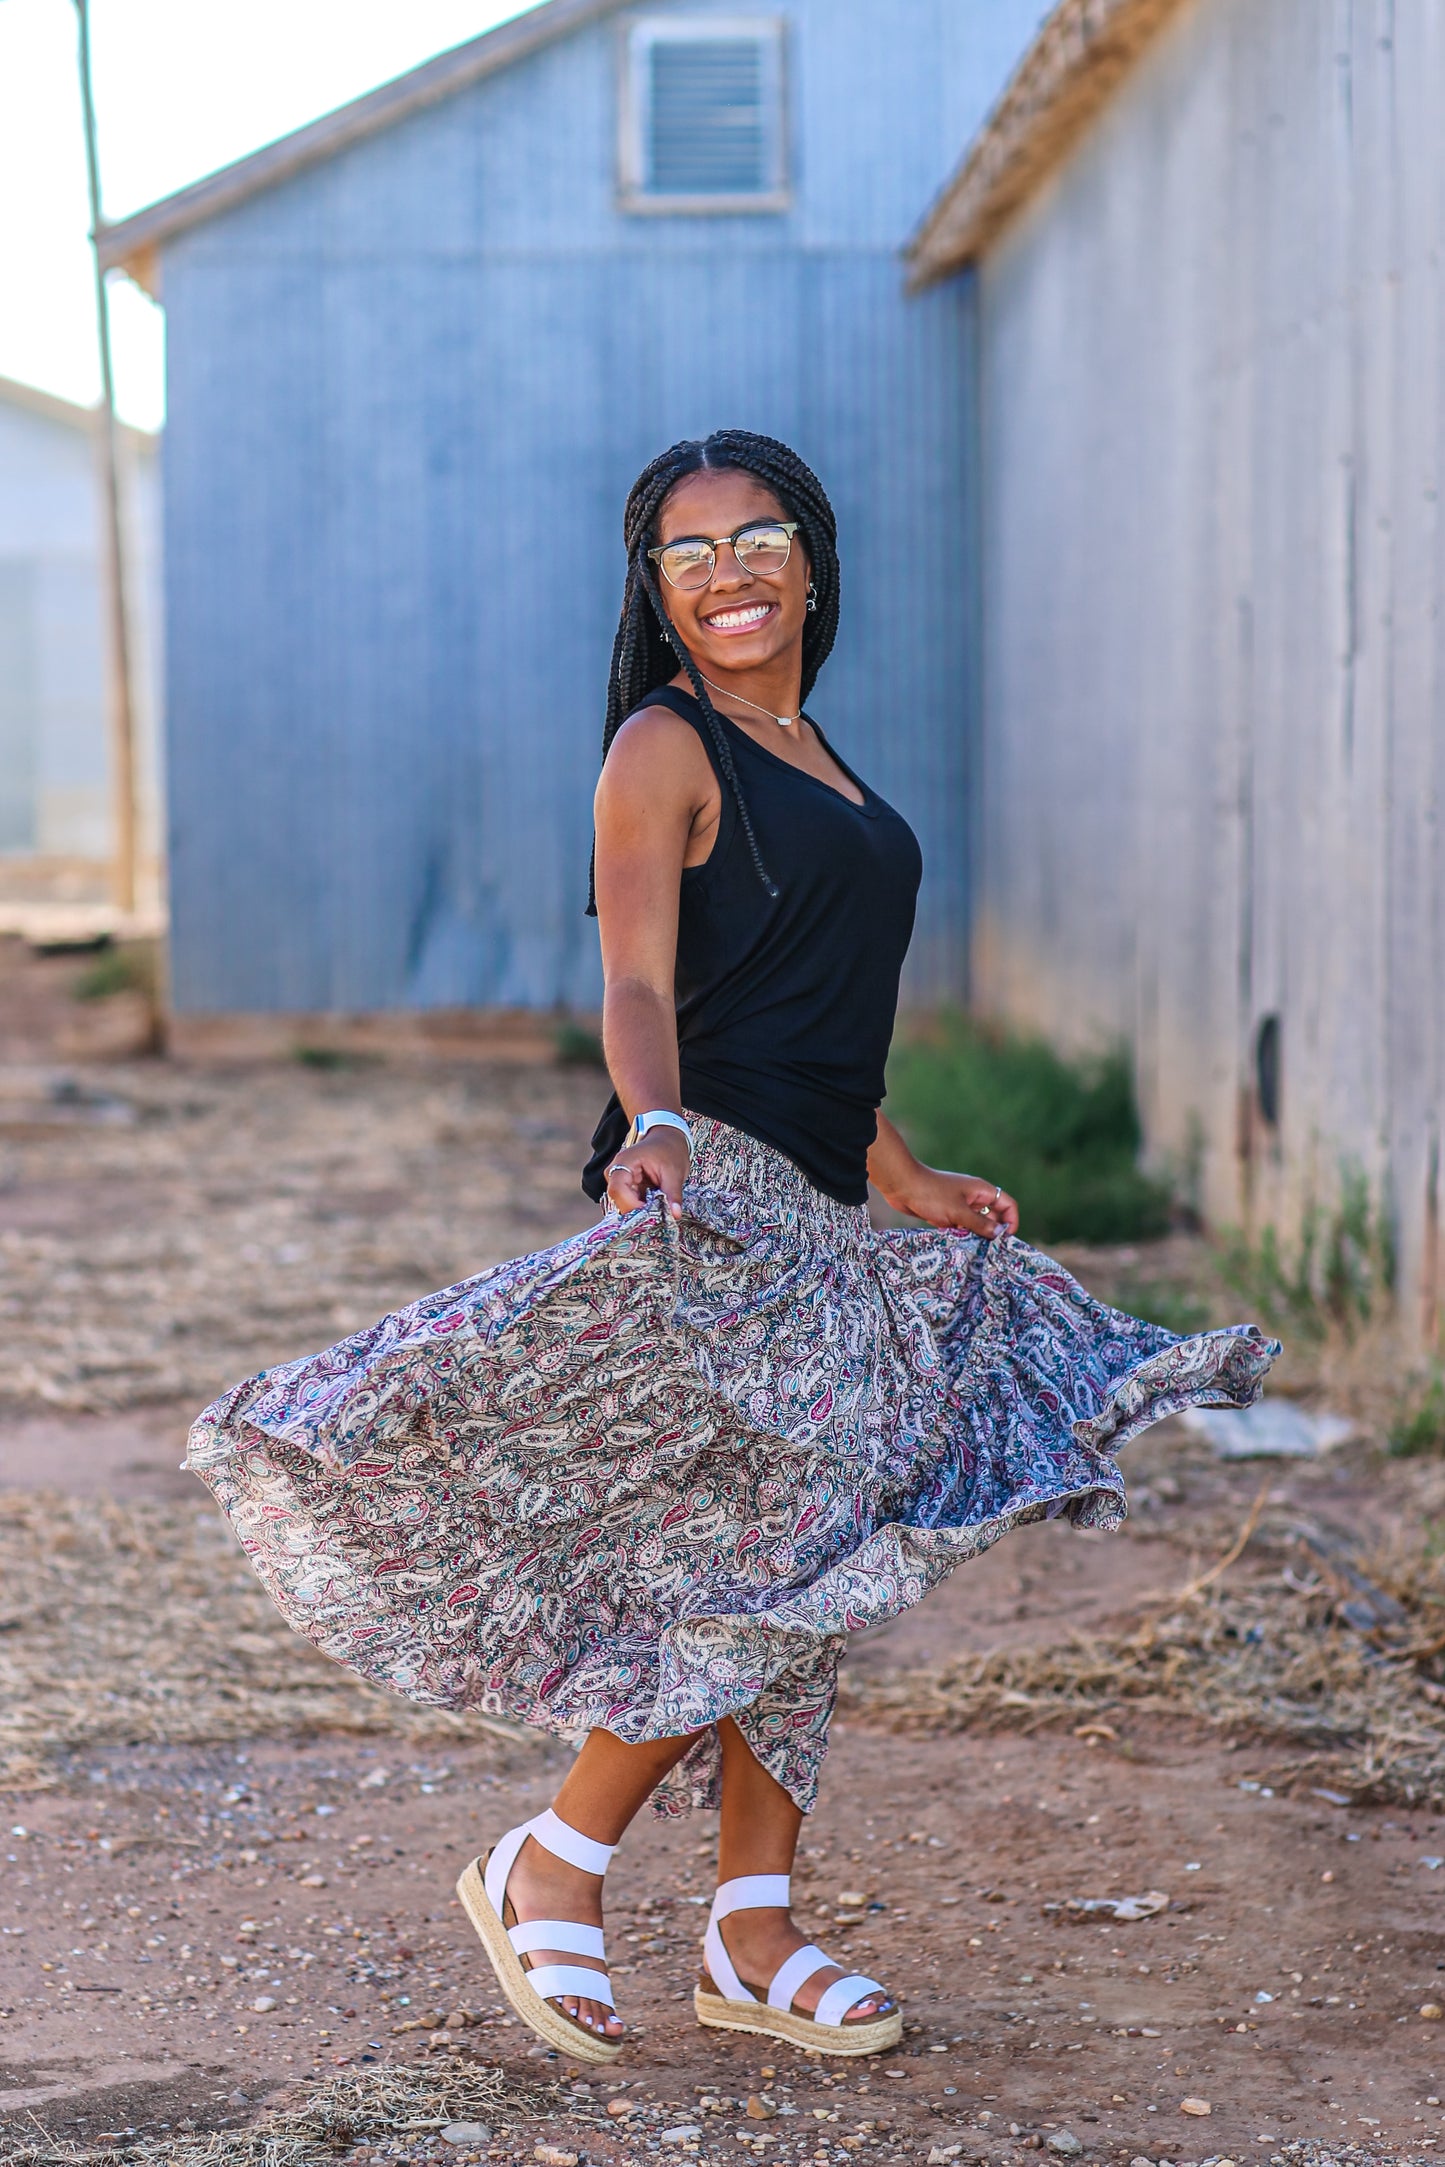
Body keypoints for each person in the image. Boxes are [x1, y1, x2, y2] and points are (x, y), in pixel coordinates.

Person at [188, 429, 1278, 2068]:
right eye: (689, 554)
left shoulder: (818, 751)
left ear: (811, 562)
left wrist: (901, 1173)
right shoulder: (662, 744)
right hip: (722, 1199)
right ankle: (553, 1856)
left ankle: (750, 1931)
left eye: (757, 537)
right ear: (656, 591)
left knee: (815, 1555)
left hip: (824, 1203)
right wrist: (656, 1121)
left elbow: (816, 1026)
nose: (729, 572)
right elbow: (639, 981)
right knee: (783, 1551)